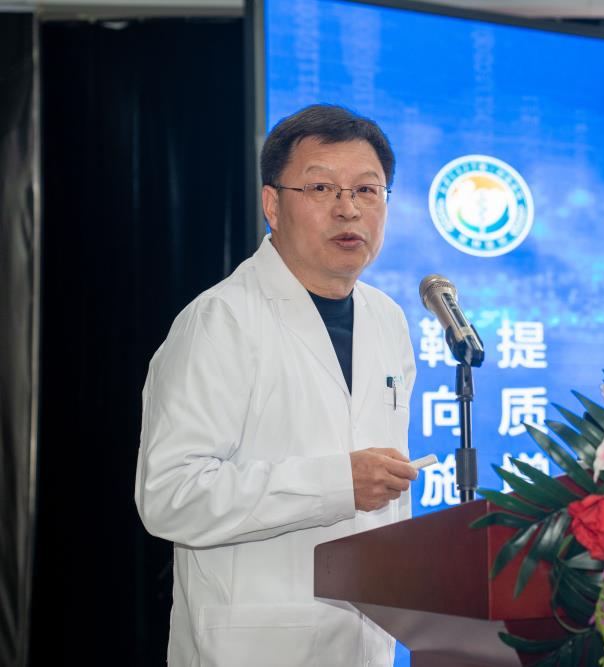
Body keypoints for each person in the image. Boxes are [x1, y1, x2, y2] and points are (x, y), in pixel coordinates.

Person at [135, 104, 418, 666]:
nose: (348, 208)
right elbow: (169, 496)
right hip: (252, 647)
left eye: (367, 190)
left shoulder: (388, 318)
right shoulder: (221, 319)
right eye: (321, 188)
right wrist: (337, 482)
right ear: (272, 204)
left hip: (364, 640)